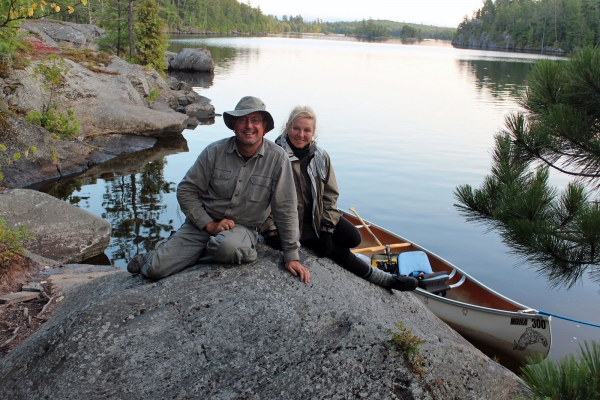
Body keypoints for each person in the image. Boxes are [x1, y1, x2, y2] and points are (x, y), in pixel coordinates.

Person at [127, 96, 310, 283]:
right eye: (242, 120)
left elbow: (286, 208)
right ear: (233, 125)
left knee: (229, 248)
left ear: (264, 127)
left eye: (255, 121)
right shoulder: (214, 152)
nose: (249, 126)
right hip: (201, 225)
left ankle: (183, 254)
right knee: (155, 270)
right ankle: (156, 255)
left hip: (242, 229)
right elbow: (186, 190)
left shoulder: (278, 159)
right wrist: (209, 225)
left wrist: (291, 255)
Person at [262, 106, 417, 291]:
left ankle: (324, 236)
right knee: (337, 252)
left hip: (316, 215)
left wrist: (327, 229)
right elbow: (263, 196)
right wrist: (270, 230)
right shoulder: (274, 155)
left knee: (353, 238)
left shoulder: (320, 156)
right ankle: (387, 280)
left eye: (307, 130)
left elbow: (330, 194)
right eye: (296, 128)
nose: (301, 134)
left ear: (313, 132)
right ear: (287, 127)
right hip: (291, 221)